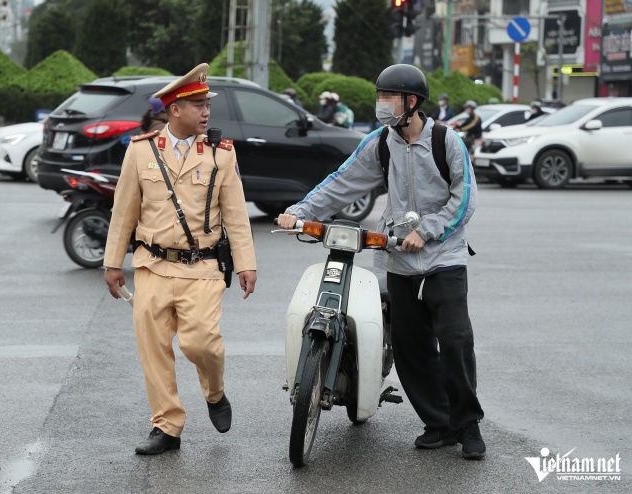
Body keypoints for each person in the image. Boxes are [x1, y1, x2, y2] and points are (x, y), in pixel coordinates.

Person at [277, 64, 485, 460]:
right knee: (411, 348)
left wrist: (427, 230)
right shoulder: (381, 141)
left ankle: (467, 424)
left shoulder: (446, 141)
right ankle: (439, 423)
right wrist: (301, 210)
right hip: (398, 259)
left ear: (410, 102)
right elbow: (343, 181)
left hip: (444, 259)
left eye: (387, 98)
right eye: (380, 97)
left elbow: (465, 199)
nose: (381, 105)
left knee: (456, 340)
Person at [103, 63, 257, 456]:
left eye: (207, 105)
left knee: (202, 343)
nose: (206, 112)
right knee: (153, 347)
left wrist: (245, 263)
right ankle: (167, 426)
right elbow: (124, 211)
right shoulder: (142, 151)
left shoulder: (222, 154)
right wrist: (112, 262)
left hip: (202, 266)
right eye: (198, 105)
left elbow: (236, 214)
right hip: (152, 264)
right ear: (175, 109)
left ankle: (215, 392)